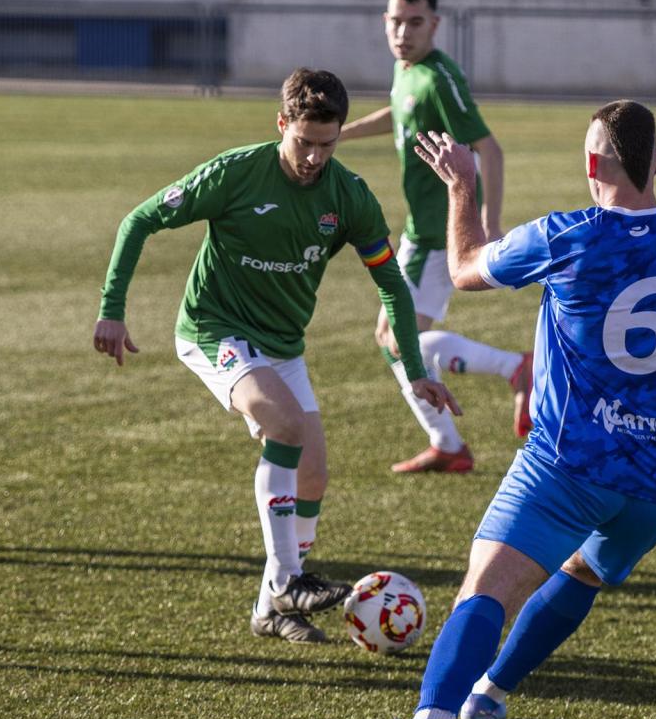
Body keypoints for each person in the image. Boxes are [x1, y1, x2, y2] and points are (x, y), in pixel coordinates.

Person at [336, 101, 656, 719]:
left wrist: (461, 185)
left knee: (486, 588)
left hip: (568, 464)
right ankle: (491, 693)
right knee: (583, 571)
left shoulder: (566, 235)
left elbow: (467, 265)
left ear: (591, 166)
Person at [94, 69, 458, 644]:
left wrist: (415, 370)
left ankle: (270, 608)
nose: (314, 156)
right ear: (282, 124)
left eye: (327, 144)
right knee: (284, 425)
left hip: (282, 342)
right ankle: (289, 579)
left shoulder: (350, 197)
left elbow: (391, 284)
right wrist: (112, 308)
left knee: (313, 472)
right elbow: (139, 220)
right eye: (304, 142)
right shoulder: (236, 173)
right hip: (214, 329)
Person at [339, 0, 531, 475]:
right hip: (417, 230)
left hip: (433, 233)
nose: (402, 32)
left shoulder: (438, 76)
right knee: (393, 339)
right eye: (395, 21)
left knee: (395, 339)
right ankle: (454, 436)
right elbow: (403, 113)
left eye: (414, 22)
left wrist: (487, 226)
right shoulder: (408, 71)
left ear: (435, 25)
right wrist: (340, 133)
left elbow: (488, 148)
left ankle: (510, 375)